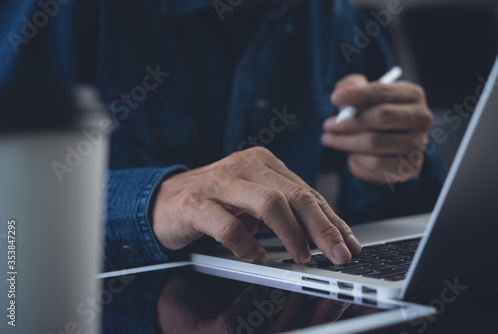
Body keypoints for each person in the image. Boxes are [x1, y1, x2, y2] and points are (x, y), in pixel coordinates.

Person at [0, 0, 443, 271]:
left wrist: (388, 170)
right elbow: (11, 217)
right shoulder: (60, 11)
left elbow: (392, 220)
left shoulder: (336, 16)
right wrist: (148, 202)